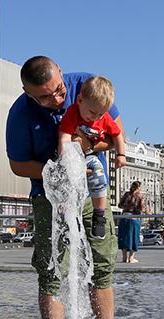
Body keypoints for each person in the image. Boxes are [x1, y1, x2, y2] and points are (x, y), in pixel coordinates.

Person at [6, 55, 138, 319]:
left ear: (63, 75)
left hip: (92, 196)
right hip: (50, 198)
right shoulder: (20, 115)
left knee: (103, 265)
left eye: (60, 90)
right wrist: (57, 172)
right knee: (52, 271)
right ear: (26, 91)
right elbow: (18, 165)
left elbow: (115, 133)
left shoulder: (88, 86)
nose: (57, 100)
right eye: (45, 97)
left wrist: (92, 149)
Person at [58, 76, 126, 239]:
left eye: (100, 114)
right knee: (67, 182)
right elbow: (64, 136)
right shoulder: (73, 113)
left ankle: (99, 216)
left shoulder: (104, 118)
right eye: (92, 112)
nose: (95, 118)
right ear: (80, 100)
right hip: (72, 155)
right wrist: (65, 158)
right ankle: (66, 216)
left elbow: (118, 136)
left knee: (99, 177)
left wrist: (121, 155)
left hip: (89, 155)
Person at [118, 181, 147, 263]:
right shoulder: (140, 195)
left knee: (124, 237)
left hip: (124, 217)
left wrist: (126, 206)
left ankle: (124, 257)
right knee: (134, 237)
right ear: (139, 187)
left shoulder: (127, 194)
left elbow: (119, 205)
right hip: (134, 218)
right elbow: (142, 208)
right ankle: (131, 258)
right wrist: (147, 212)